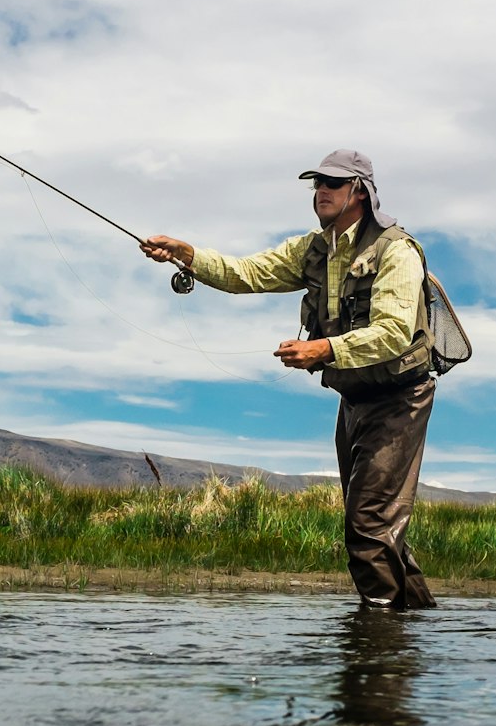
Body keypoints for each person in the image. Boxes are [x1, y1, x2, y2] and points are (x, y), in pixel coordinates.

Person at [141, 150, 439, 609]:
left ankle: (377, 645)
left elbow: (395, 333)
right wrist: (188, 255)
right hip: (355, 398)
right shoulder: (313, 249)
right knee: (378, 527)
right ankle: (413, 627)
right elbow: (245, 273)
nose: (321, 191)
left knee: (368, 525)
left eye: (332, 184)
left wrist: (323, 349)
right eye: (317, 183)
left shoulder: (396, 250)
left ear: (360, 192)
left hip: (400, 398)